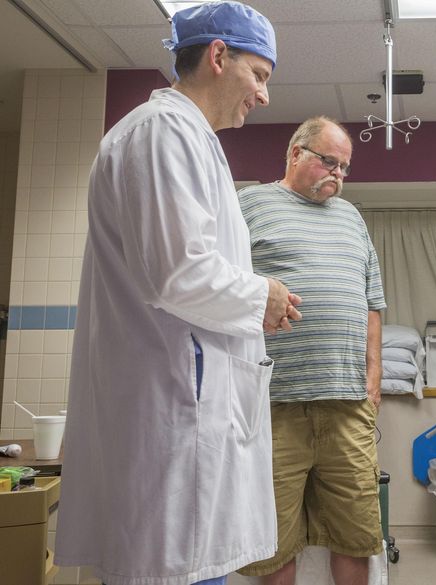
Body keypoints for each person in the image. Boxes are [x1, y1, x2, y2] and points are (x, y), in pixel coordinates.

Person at [54, 3, 301, 585]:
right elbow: (178, 273)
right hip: (171, 418)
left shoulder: (186, 139)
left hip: (178, 420)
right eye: (260, 75)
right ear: (219, 56)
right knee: (174, 562)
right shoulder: (163, 132)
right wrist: (261, 294)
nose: (263, 95)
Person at [237, 117, 386, 585]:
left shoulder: (351, 217)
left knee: (355, 535)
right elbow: (220, 288)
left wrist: (373, 382)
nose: (338, 174)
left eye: (345, 167)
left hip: (347, 406)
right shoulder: (250, 204)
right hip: (273, 405)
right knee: (274, 539)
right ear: (295, 153)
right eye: (329, 160)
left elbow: (372, 302)